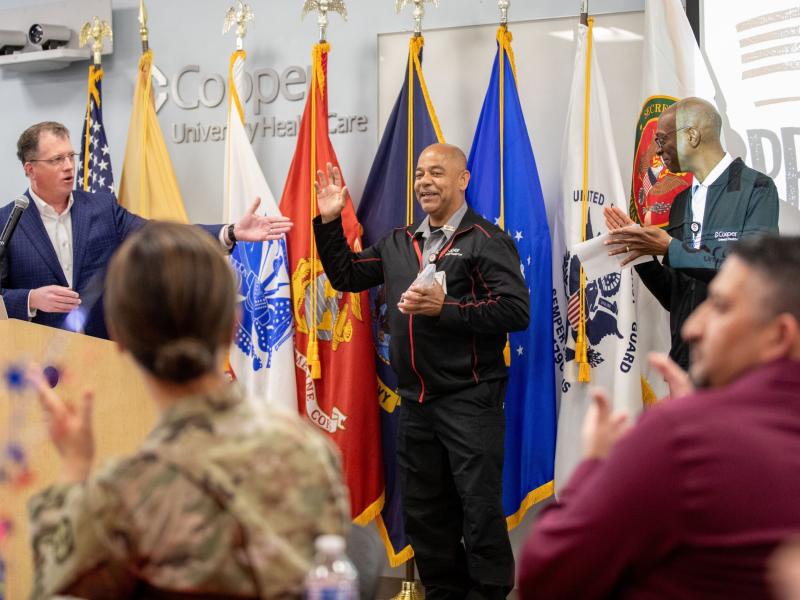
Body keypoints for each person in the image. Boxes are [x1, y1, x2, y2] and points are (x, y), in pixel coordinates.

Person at [26, 222, 349, 599]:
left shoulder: (122, 495)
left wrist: (73, 470)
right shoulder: (312, 450)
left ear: (121, 338)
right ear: (234, 325)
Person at [518, 234, 800, 599]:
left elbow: (546, 576)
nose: (692, 328)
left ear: (779, 336)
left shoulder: (684, 439)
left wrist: (596, 465)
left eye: (720, 305)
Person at [313, 143, 530, 599]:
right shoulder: (398, 242)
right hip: (416, 403)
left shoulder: (485, 241)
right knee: (426, 515)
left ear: (462, 180)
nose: (424, 182)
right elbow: (347, 275)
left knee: (479, 511)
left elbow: (515, 311)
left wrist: (444, 308)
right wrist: (330, 221)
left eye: (436, 173)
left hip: (470, 399)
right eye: (418, 175)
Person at [0, 121, 292, 339]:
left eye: (70, 156)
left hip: (104, 355)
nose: (69, 166)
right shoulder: (8, 221)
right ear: (30, 169)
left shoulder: (100, 208)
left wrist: (229, 232)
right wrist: (30, 299)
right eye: (56, 160)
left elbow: (159, 236)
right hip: (37, 365)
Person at [604, 97, 779, 368]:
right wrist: (641, 253)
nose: (658, 151)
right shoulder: (681, 202)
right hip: (686, 364)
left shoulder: (756, 189)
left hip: (737, 366)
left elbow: (751, 273)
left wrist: (670, 248)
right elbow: (675, 297)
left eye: (661, 140)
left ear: (692, 135)